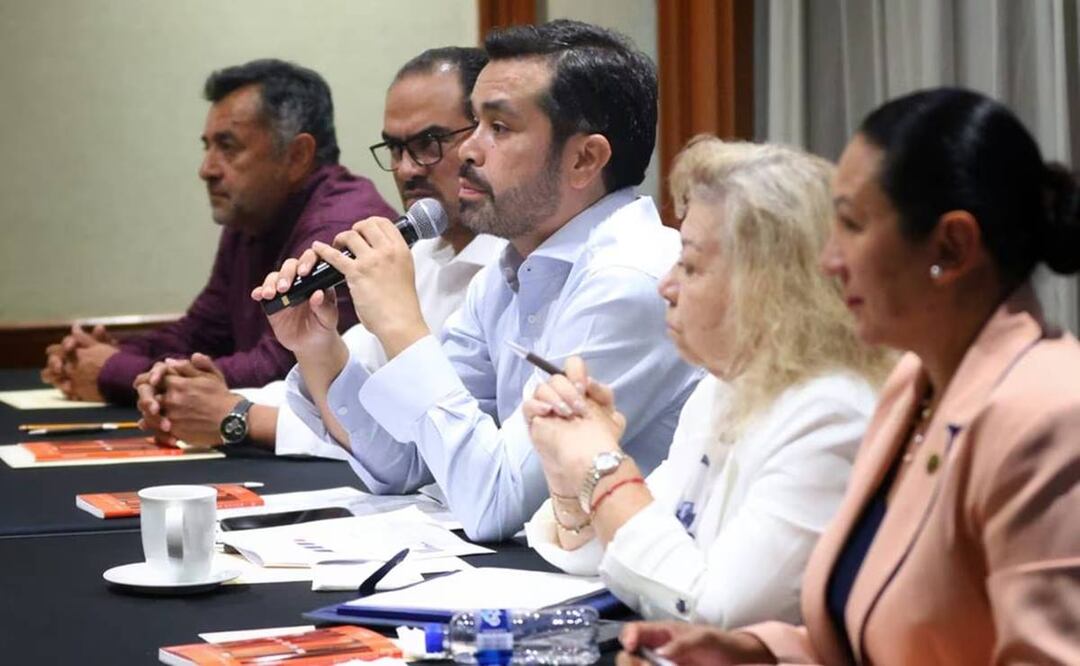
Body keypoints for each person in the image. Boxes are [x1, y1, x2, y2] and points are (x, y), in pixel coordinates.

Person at [618, 88, 1080, 665]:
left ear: (952, 246)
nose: (830, 262)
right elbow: (879, 632)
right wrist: (756, 652)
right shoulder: (915, 385)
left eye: (854, 226)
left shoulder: (1050, 415)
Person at [254, 20, 701, 540]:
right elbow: (404, 462)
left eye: (500, 128)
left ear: (584, 158)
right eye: (473, 123)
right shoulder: (512, 269)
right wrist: (318, 349)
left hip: (624, 600)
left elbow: (496, 504)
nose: (467, 150)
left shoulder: (628, 282)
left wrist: (402, 325)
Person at [521, 137, 893, 627]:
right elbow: (621, 555)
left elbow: (711, 611)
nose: (665, 286)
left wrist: (600, 462)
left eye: (690, 265)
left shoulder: (832, 412)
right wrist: (566, 468)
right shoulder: (726, 386)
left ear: (770, 285)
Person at [131, 47, 504, 458]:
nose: (406, 169)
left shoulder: (510, 268)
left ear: (486, 138)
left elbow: (423, 443)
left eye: (427, 143)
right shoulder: (415, 252)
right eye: (395, 149)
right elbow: (348, 391)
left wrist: (235, 414)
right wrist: (190, 395)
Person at [40, 58, 395, 405]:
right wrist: (111, 353)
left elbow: (283, 372)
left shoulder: (339, 232)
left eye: (227, 147)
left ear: (298, 155)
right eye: (207, 146)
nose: (206, 169)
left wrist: (115, 371)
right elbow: (202, 333)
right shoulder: (254, 214)